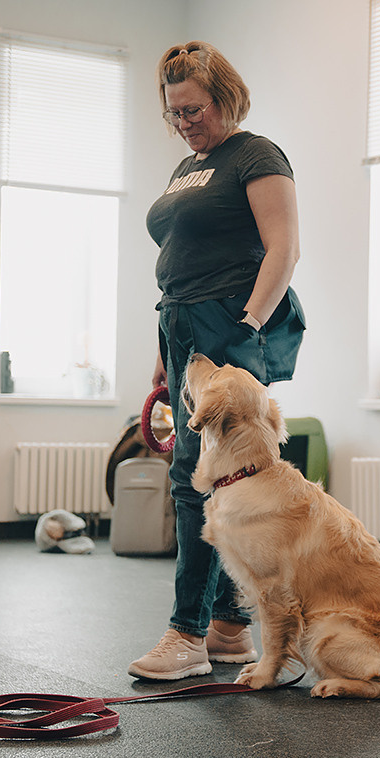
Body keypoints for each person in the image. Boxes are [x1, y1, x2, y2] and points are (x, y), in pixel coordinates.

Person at [129, 42, 306, 680]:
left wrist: (246, 327)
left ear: (225, 97)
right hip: (183, 328)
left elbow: (282, 248)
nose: (184, 121)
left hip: (231, 325)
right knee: (225, 478)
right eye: (175, 112)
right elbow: (180, 262)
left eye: (195, 109)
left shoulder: (256, 155)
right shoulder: (187, 166)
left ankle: (187, 633)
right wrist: (164, 354)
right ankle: (231, 628)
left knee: (197, 475)